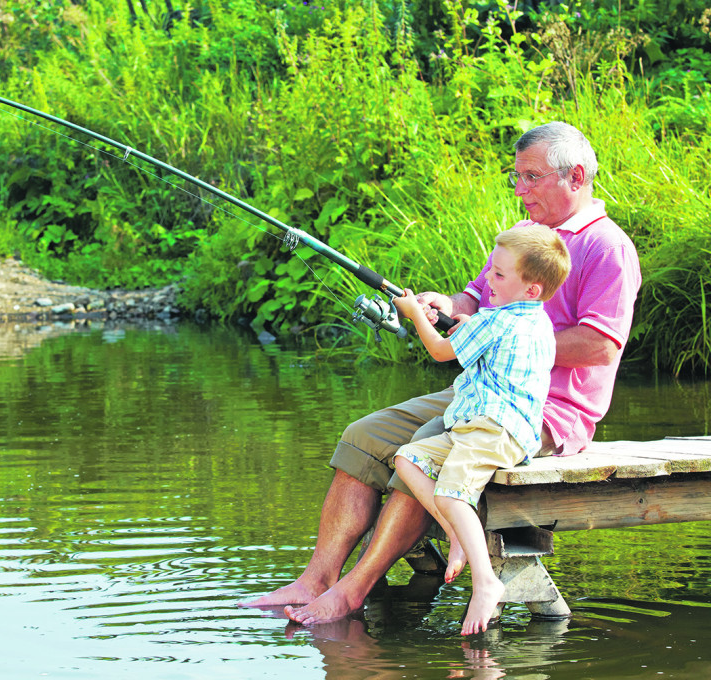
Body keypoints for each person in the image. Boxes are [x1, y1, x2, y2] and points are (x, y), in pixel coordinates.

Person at [238, 121, 642, 627]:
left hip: (544, 412)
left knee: (427, 450)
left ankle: (351, 592)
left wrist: (499, 337)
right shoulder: (526, 237)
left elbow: (601, 345)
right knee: (362, 436)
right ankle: (316, 579)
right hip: (478, 393)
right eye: (516, 177)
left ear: (575, 176)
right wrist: (443, 306)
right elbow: (475, 298)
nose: (520, 189)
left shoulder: (607, 247)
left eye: (532, 177)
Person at [391, 223, 571, 635]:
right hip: (501, 432)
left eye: (500, 274)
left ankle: (486, 581)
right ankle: (457, 532)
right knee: (408, 459)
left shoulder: (493, 322)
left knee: (450, 494)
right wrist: (466, 326)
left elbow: (440, 351)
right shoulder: (538, 322)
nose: (488, 278)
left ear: (532, 289)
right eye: (491, 269)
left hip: (492, 430)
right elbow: (488, 348)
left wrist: (416, 315)